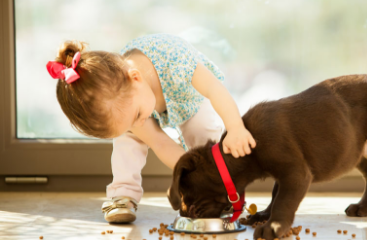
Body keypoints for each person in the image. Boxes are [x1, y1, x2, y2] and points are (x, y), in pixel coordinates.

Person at [46, 33, 256, 224]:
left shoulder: (176, 61)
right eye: (129, 123)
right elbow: (159, 142)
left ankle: (214, 191)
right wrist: (187, 174)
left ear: (136, 78)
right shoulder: (127, 104)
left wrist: (235, 127)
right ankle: (123, 194)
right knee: (127, 141)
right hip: (140, 103)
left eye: (136, 116)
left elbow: (214, 89)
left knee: (203, 130)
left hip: (188, 98)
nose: (138, 124)